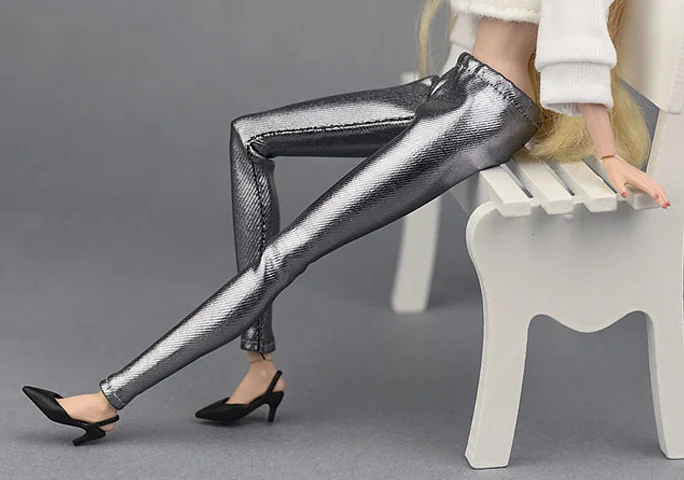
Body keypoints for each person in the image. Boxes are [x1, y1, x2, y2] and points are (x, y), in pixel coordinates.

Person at [22, 0, 670, 446]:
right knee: (251, 136)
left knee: (289, 251)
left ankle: (110, 399)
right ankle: (260, 367)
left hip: (487, 112)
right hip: (454, 86)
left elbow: (578, 43)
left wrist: (610, 156)